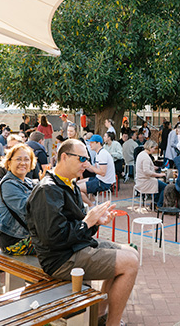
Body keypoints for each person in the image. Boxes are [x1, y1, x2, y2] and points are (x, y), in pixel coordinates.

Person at [28, 140, 140, 326]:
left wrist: (95, 223)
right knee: (130, 263)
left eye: (88, 160)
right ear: (64, 157)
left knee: (132, 252)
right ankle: (112, 323)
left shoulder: (69, 185)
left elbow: (79, 229)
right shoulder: (48, 189)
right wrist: (88, 222)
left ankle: (99, 315)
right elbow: (53, 239)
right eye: (82, 159)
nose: (86, 164)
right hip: (61, 259)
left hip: (75, 248)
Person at [0, 144, 36, 255]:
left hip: (29, 236)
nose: (23, 163)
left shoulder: (28, 182)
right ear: (9, 162)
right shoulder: (8, 185)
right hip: (15, 240)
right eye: (18, 159)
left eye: (27, 159)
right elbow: (29, 209)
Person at [79, 134, 115, 205]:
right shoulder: (99, 153)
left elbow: (102, 173)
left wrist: (90, 166)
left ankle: (91, 206)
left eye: (92, 143)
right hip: (99, 179)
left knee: (77, 188)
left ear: (98, 143)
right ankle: (92, 202)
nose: (90, 145)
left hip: (104, 182)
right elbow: (95, 170)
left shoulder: (102, 154)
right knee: (77, 183)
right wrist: (87, 166)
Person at [135, 140, 167, 208]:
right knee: (165, 187)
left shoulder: (142, 154)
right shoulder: (146, 157)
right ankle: (158, 205)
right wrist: (160, 175)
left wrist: (156, 168)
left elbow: (146, 167)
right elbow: (147, 172)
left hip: (141, 180)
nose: (154, 150)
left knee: (159, 184)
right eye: (154, 148)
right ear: (150, 147)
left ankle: (155, 203)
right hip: (145, 181)